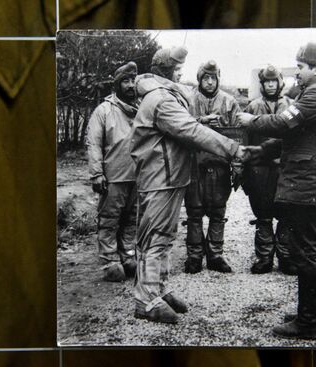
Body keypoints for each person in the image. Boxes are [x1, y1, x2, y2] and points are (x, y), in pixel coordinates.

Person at [130, 46, 251, 324]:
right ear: (168, 71)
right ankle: (146, 300)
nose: (181, 75)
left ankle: (158, 288)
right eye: (178, 70)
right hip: (161, 178)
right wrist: (233, 149)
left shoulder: (163, 95)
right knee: (155, 238)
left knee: (163, 236)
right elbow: (190, 130)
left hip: (169, 176)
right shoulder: (161, 99)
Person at [236, 42, 316, 339]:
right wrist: (258, 153)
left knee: (306, 252)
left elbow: (283, 123)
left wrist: (251, 120)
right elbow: (295, 137)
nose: (297, 72)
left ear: (315, 67)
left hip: (309, 185)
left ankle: (308, 322)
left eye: (300, 67)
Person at [184, 60, 241, 274]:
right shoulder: (187, 101)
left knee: (218, 212)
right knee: (194, 212)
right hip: (194, 165)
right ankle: (194, 256)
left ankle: (215, 255)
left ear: (218, 78)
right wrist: (200, 122)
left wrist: (237, 168)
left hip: (219, 166)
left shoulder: (229, 102)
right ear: (199, 79)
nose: (209, 82)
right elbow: (179, 128)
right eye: (205, 78)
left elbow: (238, 136)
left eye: (213, 78)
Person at [86, 62, 139, 282]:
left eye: (133, 81)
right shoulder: (104, 110)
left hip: (138, 176)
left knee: (132, 219)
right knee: (109, 219)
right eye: (125, 81)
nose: (130, 85)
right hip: (113, 177)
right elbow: (93, 143)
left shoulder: (142, 109)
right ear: (117, 85)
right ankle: (109, 261)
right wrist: (97, 173)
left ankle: (127, 256)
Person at [242, 65, 297, 275]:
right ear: (262, 84)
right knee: (263, 215)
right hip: (259, 170)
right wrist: (243, 167)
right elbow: (245, 138)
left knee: (286, 216)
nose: (271, 85)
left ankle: (285, 257)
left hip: (285, 169)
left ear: (280, 82)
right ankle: (264, 258)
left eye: (274, 81)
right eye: (267, 82)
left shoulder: (291, 106)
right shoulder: (252, 107)